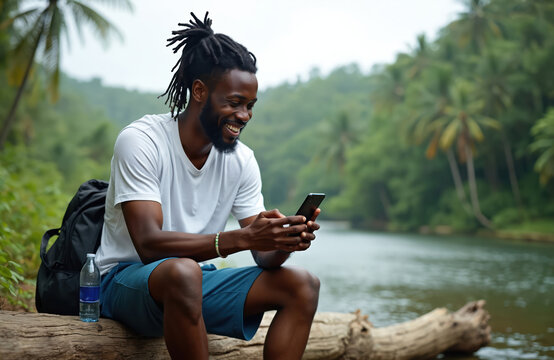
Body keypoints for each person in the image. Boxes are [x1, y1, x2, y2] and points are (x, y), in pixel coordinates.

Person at [95, 12, 321, 360]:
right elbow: (148, 245)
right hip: (124, 283)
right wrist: (242, 238)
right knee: (183, 273)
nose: (244, 115)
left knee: (303, 285)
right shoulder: (141, 141)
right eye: (233, 103)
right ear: (199, 91)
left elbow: (263, 257)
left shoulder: (241, 160)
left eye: (249, 106)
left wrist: (282, 240)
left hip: (192, 284)